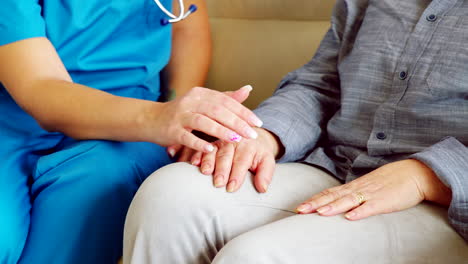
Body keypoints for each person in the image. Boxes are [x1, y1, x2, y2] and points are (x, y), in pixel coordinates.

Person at [123, 0, 468, 263]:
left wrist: (426, 177)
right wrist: (264, 134)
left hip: (446, 203)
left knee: (256, 257)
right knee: (169, 193)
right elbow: (321, 84)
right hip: (335, 164)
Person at [0, 0, 263, 263]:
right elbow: (39, 86)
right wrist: (162, 117)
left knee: (90, 190)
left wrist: (183, 109)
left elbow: (187, 20)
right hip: (18, 113)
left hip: (130, 124)